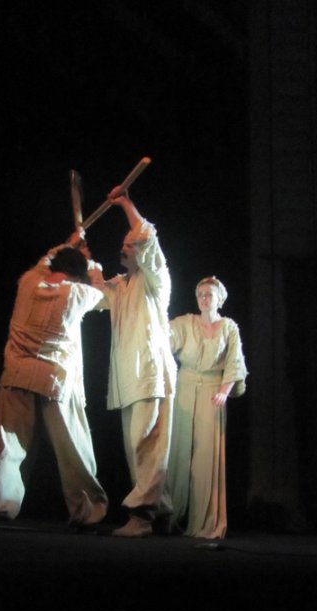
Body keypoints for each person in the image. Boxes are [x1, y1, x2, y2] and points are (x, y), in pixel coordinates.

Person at [0, 232, 108, 529]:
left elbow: (44, 262)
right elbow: (101, 289)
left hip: (17, 376)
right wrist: (91, 262)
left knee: (6, 448)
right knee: (74, 450)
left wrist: (69, 244)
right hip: (54, 380)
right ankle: (88, 512)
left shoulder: (28, 283)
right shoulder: (76, 293)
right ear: (77, 275)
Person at [95, 189, 177, 537]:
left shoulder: (155, 279)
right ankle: (163, 513)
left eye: (130, 245)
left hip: (149, 371)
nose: (125, 247)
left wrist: (126, 204)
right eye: (124, 244)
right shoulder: (120, 287)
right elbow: (93, 292)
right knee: (139, 448)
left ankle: (143, 516)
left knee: (145, 443)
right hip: (130, 377)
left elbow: (146, 237)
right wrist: (83, 258)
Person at [167, 276, 248, 539]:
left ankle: (204, 522)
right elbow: (164, 336)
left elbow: (235, 363)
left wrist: (224, 391)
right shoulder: (186, 323)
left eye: (209, 294)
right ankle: (171, 516)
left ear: (219, 299)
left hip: (213, 391)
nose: (204, 298)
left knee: (206, 457)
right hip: (185, 388)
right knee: (178, 451)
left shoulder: (229, 327)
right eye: (200, 294)